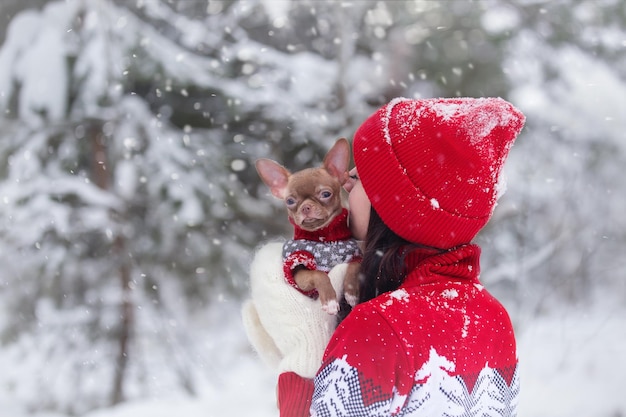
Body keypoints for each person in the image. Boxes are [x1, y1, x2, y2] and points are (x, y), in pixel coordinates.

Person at [255, 97, 525, 416]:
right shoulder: (491, 316)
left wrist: (305, 359)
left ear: (395, 206)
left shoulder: (377, 326)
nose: (346, 184)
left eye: (359, 178)